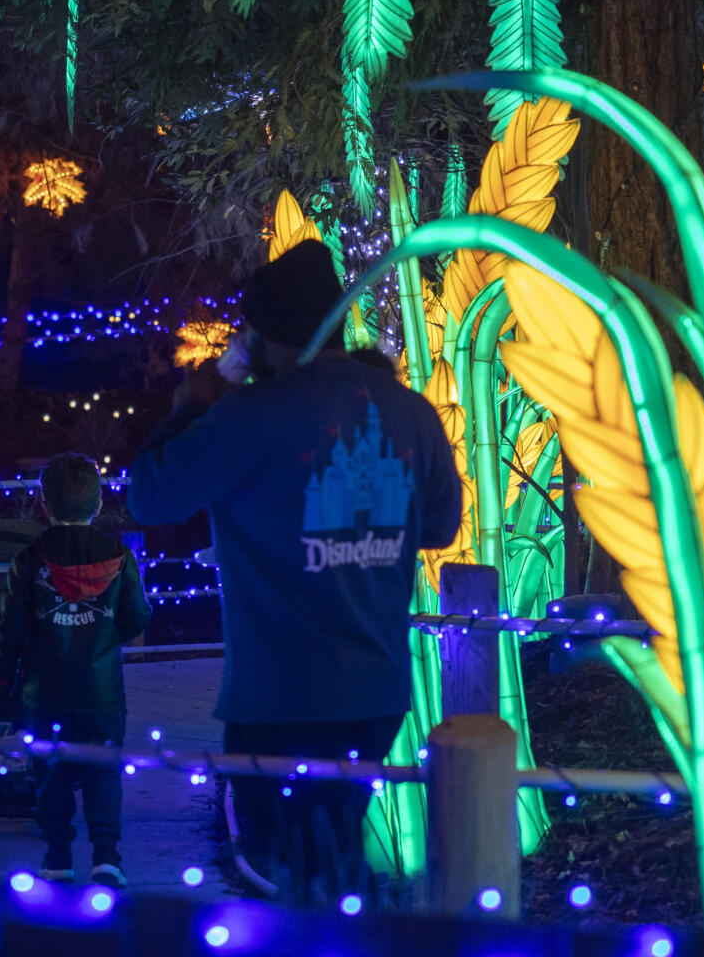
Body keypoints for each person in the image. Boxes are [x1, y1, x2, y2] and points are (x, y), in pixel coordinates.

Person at [126, 241, 462, 905]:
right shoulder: (408, 412)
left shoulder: (249, 416)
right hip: (377, 690)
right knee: (329, 856)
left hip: (280, 694)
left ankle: (374, 932)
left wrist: (189, 408)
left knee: (303, 870)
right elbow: (440, 527)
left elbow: (149, 497)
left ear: (264, 335)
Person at [0, 453, 151, 887]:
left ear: (45, 504)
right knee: (103, 770)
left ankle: (57, 855)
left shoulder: (29, 559)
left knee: (51, 771)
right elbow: (137, 616)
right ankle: (107, 858)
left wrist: (0, 677)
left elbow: (10, 628)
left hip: (45, 692)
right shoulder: (120, 557)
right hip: (102, 691)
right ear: (98, 503)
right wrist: (107, 632)